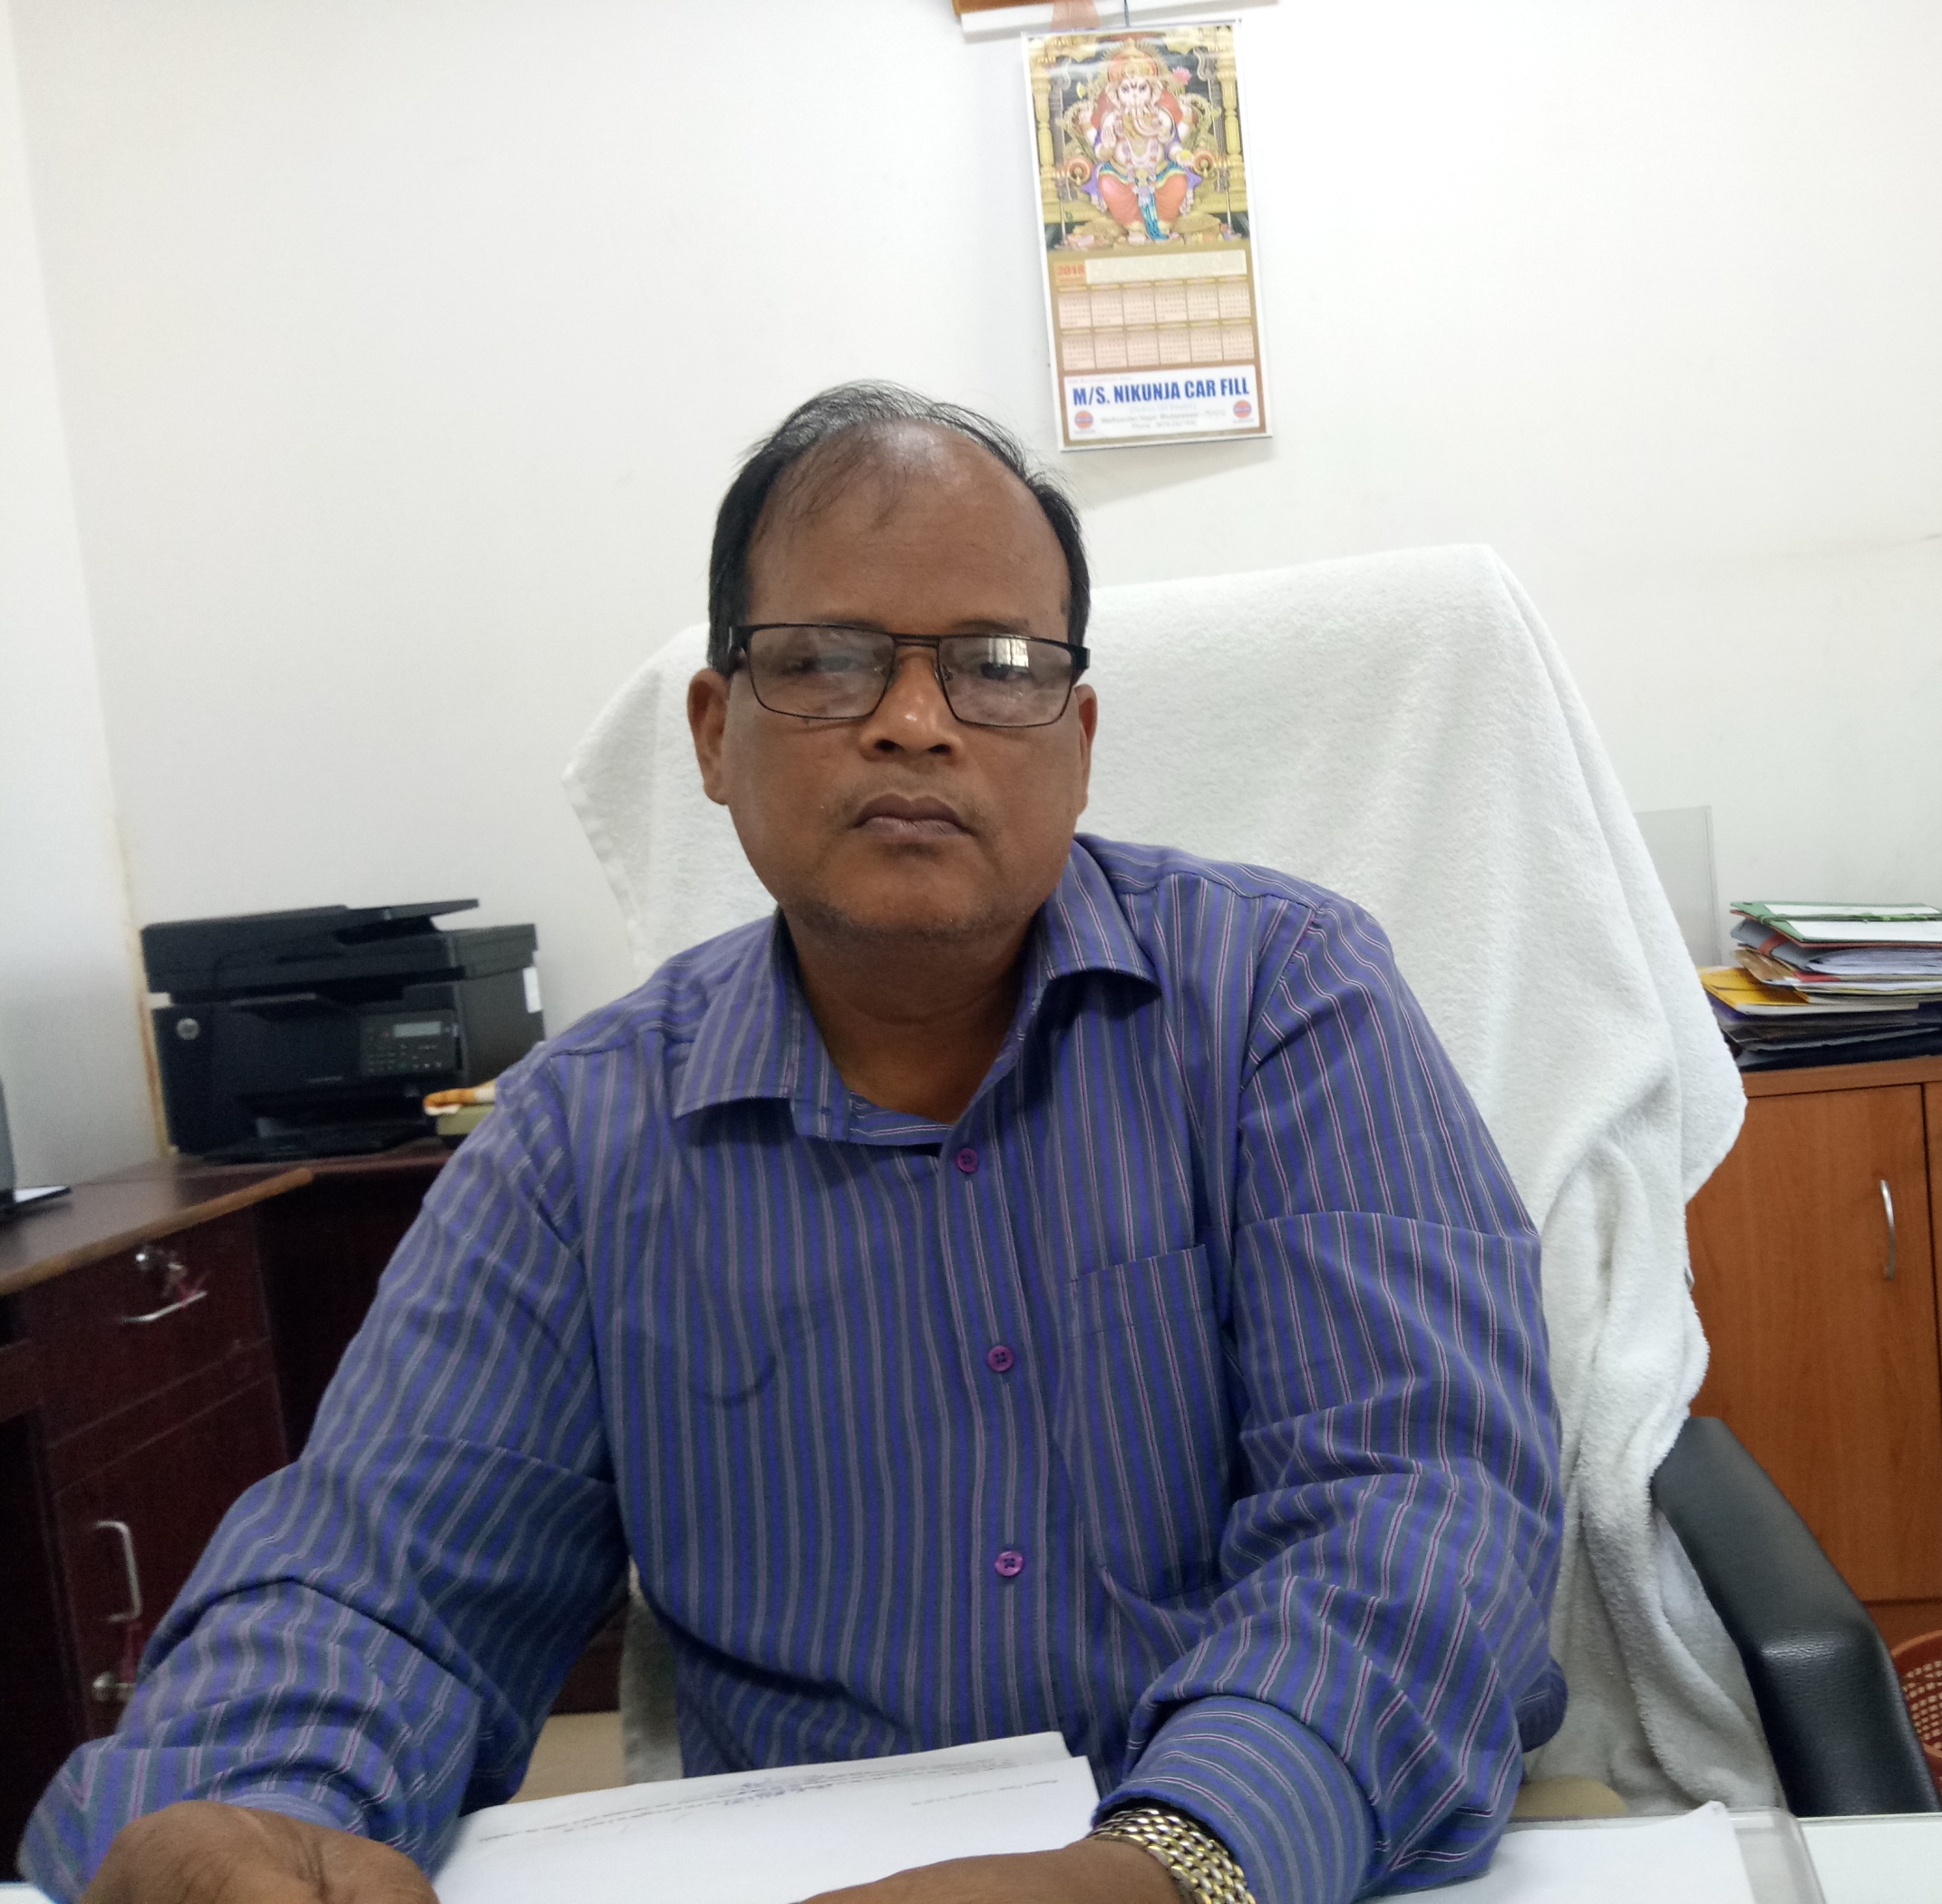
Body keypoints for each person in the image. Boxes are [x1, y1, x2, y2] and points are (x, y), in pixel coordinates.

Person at [28, 383, 1567, 1904]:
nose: (914, 723)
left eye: (998, 666)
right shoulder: (583, 1137)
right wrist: (247, 1811)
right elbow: (387, 1580)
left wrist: (1171, 1860)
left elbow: (1418, 1506)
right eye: (825, 662)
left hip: (1273, 1871)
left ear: (1078, 737)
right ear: (714, 733)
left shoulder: (1285, 999)